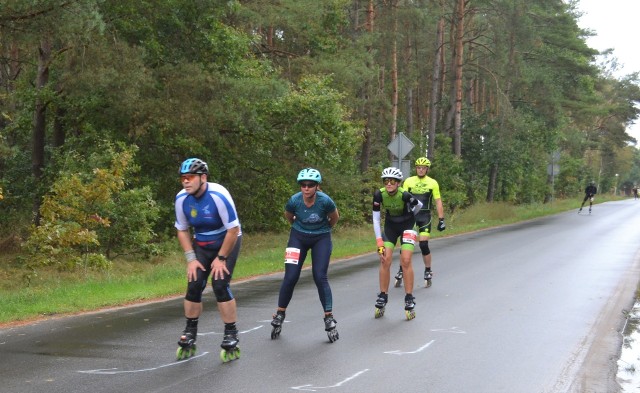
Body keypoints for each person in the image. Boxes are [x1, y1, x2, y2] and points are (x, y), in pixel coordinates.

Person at [174, 158, 243, 362]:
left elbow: (233, 229)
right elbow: (182, 230)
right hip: (202, 243)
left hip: (227, 240)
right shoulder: (181, 199)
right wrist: (191, 259)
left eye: (190, 177)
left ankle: (231, 333)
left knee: (220, 284)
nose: (186, 182)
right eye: (183, 178)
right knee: (194, 285)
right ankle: (190, 331)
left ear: (203, 178)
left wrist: (221, 258)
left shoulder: (218, 195)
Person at [270, 168, 341, 343]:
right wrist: (299, 229)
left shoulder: (325, 201)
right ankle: (280, 313)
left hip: (321, 238)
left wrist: (323, 230)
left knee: (319, 276)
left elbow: (334, 218)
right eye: (303, 185)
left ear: (317, 186)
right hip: (298, 237)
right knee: (291, 276)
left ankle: (328, 316)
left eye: (310, 185)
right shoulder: (294, 200)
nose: (306, 188)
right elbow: (289, 216)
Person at [372, 167, 423, 320]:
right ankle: (382, 295)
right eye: (386, 181)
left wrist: (410, 216)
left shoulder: (405, 195)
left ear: (398, 183)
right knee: (385, 258)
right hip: (390, 226)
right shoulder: (378, 194)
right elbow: (375, 219)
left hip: (408, 225)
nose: (389, 184)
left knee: (406, 260)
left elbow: (419, 205)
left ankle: (409, 298)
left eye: (392, 181)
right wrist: (379, 241)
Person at [394, 157, 445, 288]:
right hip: (410, 216)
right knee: (406, 245)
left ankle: (428, 270)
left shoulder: (433, 182)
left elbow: (438, 201)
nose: (421, 170)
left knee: (423, 244)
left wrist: (441, 219)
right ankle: (401, 270)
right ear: (416, 168)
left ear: (427, 169)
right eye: (418, 167)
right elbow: (402, 198)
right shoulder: (409, 181)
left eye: (423, 168)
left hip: (424, 216)